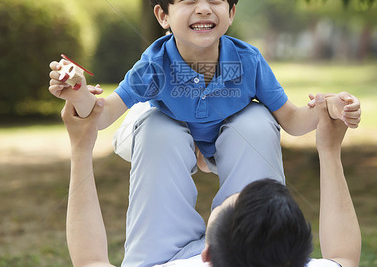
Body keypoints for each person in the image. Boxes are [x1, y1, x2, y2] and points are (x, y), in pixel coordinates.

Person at [49, 0, 362, 266]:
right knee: (159, 125)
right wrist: (79, 94)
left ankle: (247, 241)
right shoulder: (155, 64)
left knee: (253, 119)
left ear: (231, 12)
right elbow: (106, 113)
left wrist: (327, 107)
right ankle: (245, 235)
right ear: (163, 16)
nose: (203, 9)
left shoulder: (248, 61)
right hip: (169, 128)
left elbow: (293, 120)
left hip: (224, 133)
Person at [61, 93, 360, 267]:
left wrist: (80, 148)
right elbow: (343, 256)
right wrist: (330, 151)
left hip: (159, 260)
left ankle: (186, 134)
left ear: (206, 255)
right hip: (255, 255)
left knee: (159, 131)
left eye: (232, 200)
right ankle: (209, 141)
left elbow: (90, 261)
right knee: (254, 123)